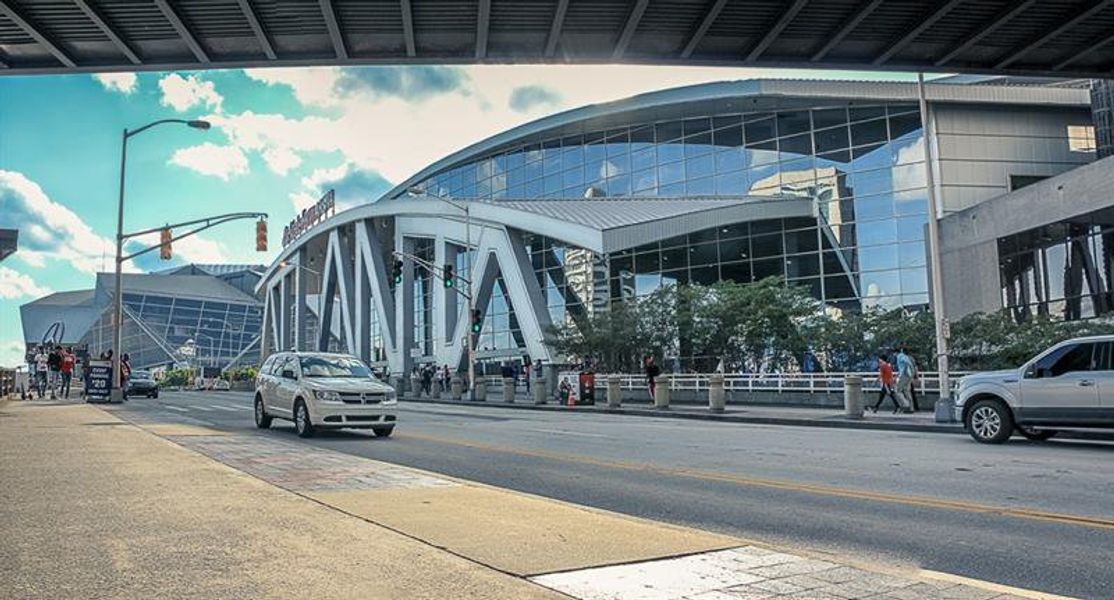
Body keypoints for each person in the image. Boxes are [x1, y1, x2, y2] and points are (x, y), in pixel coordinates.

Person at [893, 347, 915, 414]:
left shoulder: (900, 356)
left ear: (895, 353)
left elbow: (906, 363)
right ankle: (911, 408)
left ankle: (906, 404)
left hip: (905, 375)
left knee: (897, 390)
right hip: (909, 375)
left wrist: (904, 372)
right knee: (906, 391)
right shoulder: (906, 356)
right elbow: (910, 365)